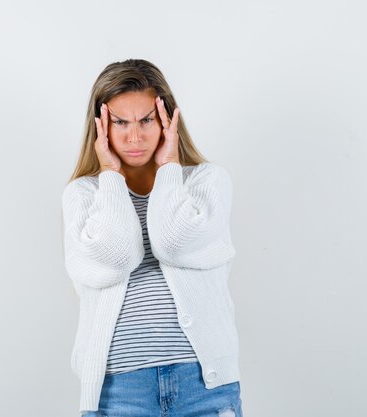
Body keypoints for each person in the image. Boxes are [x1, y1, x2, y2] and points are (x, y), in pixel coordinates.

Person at [61, 58, 243, 417]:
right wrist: (111, 175)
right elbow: (117, 257)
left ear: (168, 120)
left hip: (203, 387)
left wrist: (170, 167)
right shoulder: (83, 196)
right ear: (100, 127)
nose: (135, 136)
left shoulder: (206, 182)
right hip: (118, 392)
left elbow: (172, 242)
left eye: (147, 119)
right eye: (120, 122)